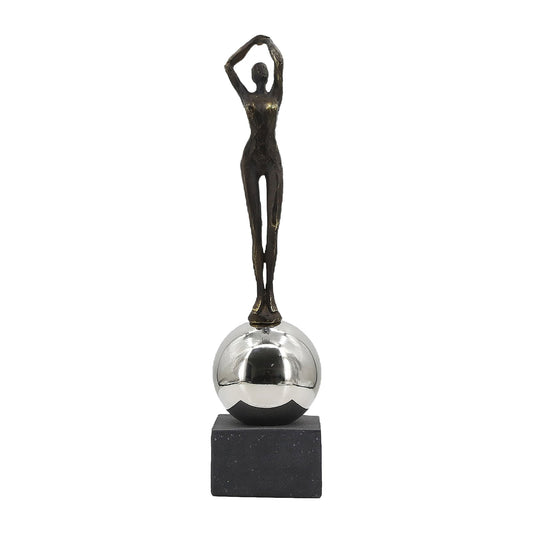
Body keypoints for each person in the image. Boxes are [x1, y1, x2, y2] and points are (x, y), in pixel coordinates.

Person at [225, 35, 284, 328]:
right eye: (257, 70)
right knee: (255, 228)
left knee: (272, 229)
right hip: (251, 160)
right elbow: (228, 66)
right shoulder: (246, 96)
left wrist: (268, 42)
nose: (260, 71)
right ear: (253, 76)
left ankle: (270, 293)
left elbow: (280, 62)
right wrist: (252, 43)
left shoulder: (276, 94)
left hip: (272, 159)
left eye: (263, 69)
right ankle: (259, 295)